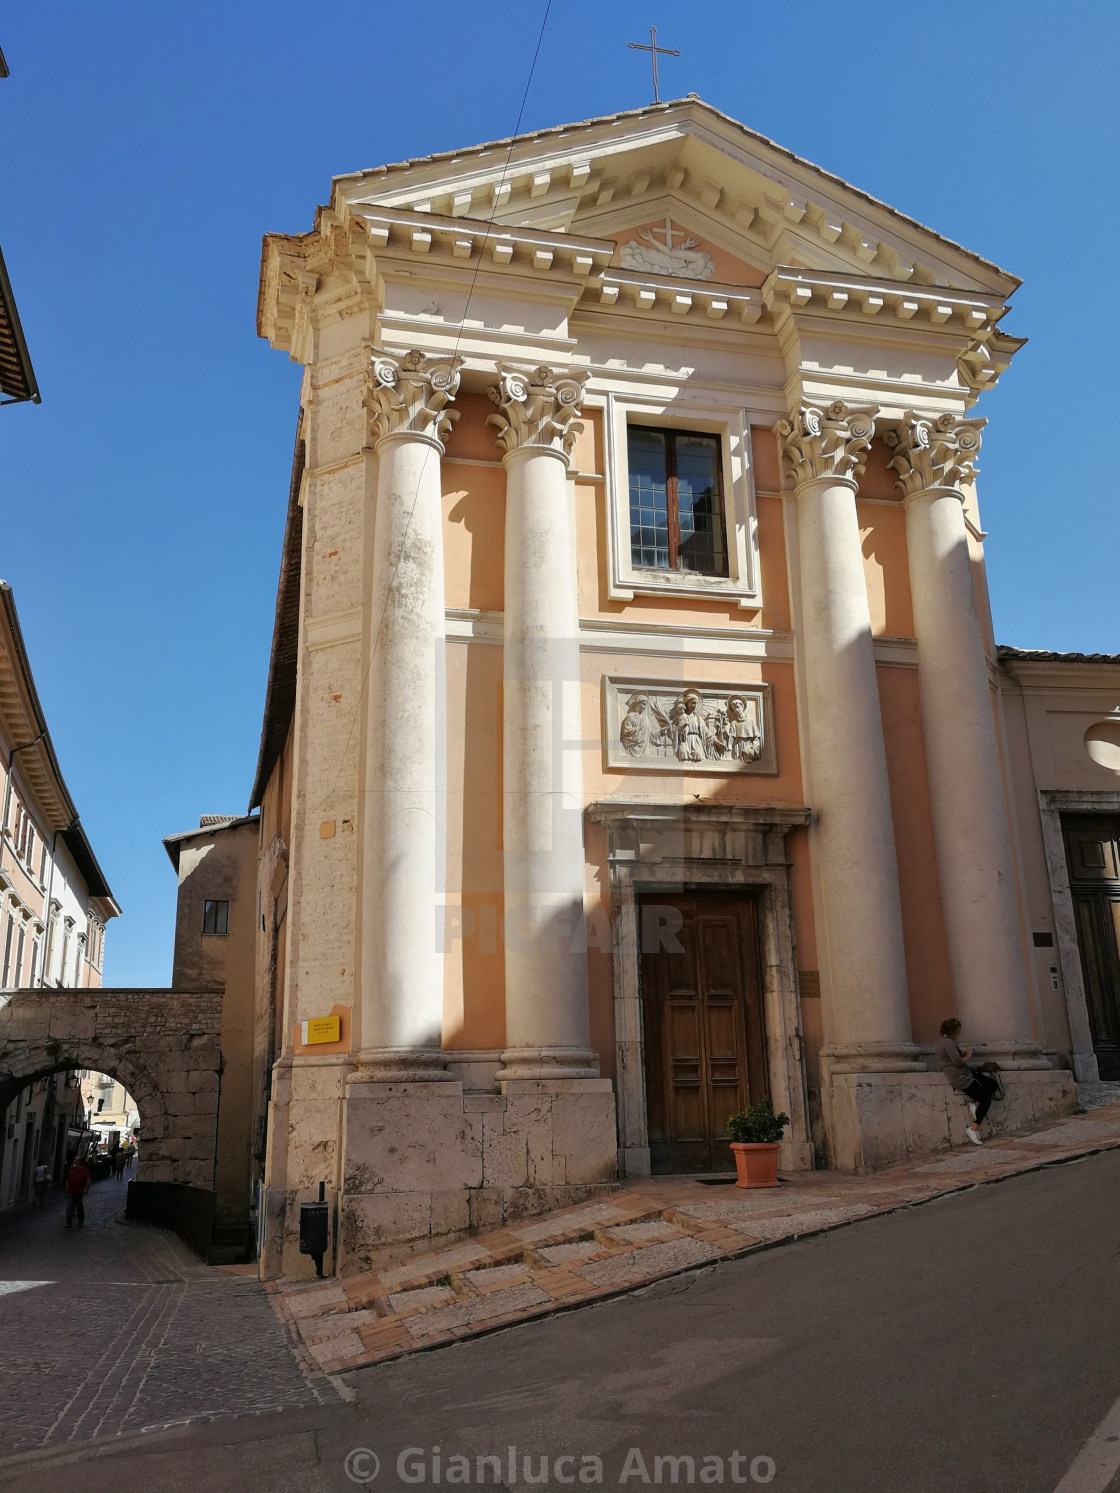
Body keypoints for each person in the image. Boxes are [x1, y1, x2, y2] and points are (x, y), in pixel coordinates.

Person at [934, 1017, 999, 1145]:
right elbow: (958, 1062)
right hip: (961, 1078)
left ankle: (976, 1104)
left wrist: (974, 1058)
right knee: (986, 1100)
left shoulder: (945, 1044)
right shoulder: (948, 1043)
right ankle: (973, 1128)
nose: (959, 1033)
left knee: (992, 1084)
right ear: (953, 1030)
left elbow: (959, 1056)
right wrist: (968, 1055)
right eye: (958, 1030)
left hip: (966, 1074)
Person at [63, 1154, 91, 1228]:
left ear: (80, 1162)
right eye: (75, 1160)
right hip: (71, 1191)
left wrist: (86, 1188)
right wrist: (67, 1187)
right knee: (69, 1207)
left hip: (79, 1192)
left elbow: (88, 1179)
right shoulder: (71, 1168)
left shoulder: (84, 1169)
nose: (75, 1161)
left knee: (79, 1207)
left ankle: (80, 1221)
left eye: (77, 1160)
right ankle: (68, 1223)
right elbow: (67, 1178)